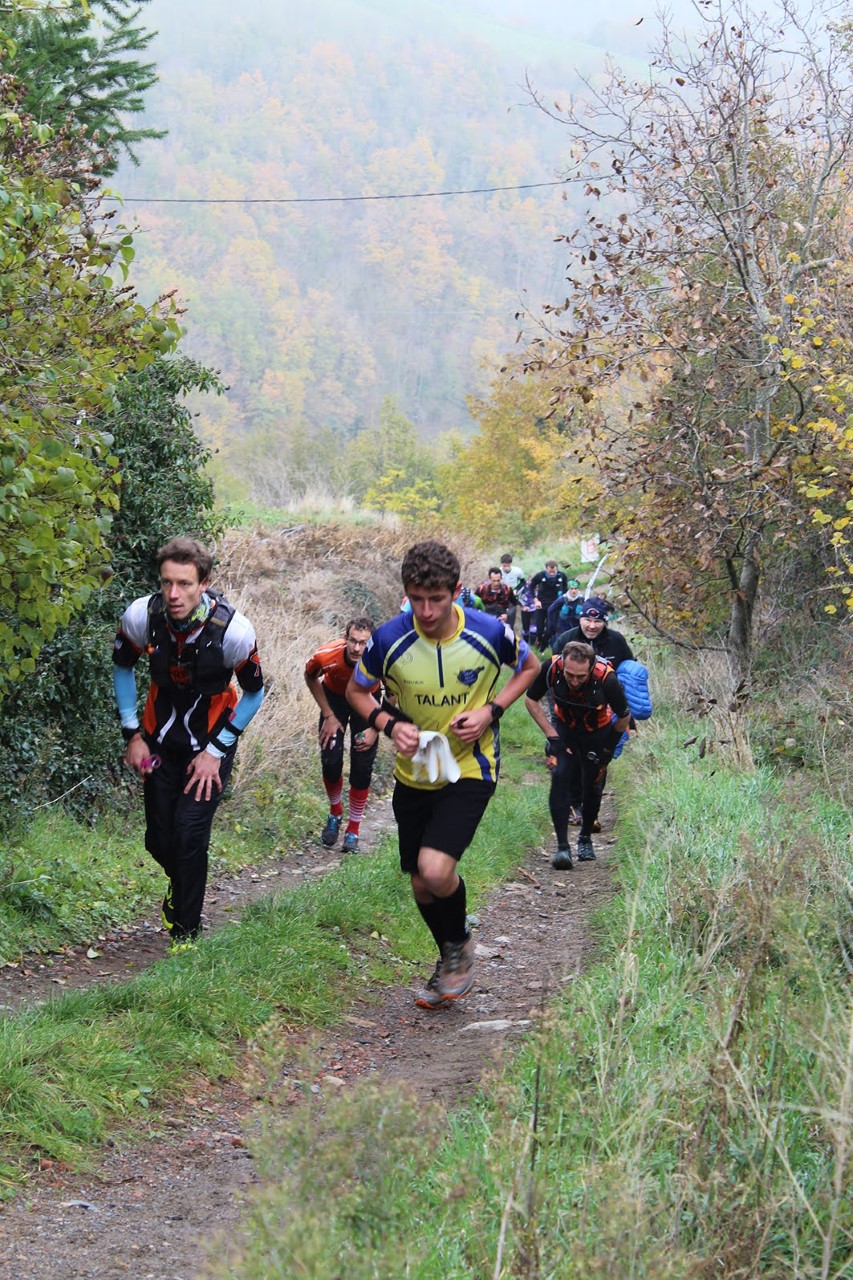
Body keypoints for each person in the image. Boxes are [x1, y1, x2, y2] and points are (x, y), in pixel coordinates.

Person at [346, 540, 539, 1010]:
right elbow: (357, 691)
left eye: (437, 599)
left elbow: (530, 667)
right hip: (414, 773)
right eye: (417, 599)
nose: (427, 611)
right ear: (406, 594)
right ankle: (453, 950)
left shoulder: (489, 631)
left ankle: (457, 950)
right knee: (420, 882)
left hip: (471, 766)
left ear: (457, 591)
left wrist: (491, 711)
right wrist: (388, 724)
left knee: (435, 869)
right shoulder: (388, 639)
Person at [112, 537, 265, 946]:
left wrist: (216, 752)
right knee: (158, 840)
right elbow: (122, 666)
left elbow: (254, 694)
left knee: (189, 834)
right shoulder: (142, 616)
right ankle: (180, 889)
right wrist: (132, 734)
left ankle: (186, 935)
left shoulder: (233, 632)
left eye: (184, 584)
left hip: (210, 745)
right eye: (166, 583)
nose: (173, 594)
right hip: (158, 743)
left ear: (205, 583)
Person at [525, 640, 630, 869]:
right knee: (560, 776)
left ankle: (585, 838)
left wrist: (609, 748)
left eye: (581, 677)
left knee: (592, 785)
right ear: (563, 664)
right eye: (570, 675)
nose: (574, 681)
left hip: (597, 733)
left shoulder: (607, 679)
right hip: (565, 729)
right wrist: (551, 735)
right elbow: (530, 699)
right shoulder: (552, 668)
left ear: (591, 668)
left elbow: (624, 716)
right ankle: (563, 848)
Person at [304, 618, 379, 853]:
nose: (357, 648)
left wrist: (375, 728)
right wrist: (328, 715)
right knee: (331, 760)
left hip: (366, 701)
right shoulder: (326, 655)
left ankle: (353, 830)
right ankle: (335, 811)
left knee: (362, 767)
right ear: (345, 639)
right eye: (353, 641)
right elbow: (310, 676)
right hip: (335, 700)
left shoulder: (382, 658)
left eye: (363, 643)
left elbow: (394, 694)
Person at [551, 595, 635, 668]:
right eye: (588, 620)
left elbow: (631, 668)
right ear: (580, 620)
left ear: (604, 623)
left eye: (597, 621)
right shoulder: (565, 640)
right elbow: (553, 670)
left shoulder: (617, 640)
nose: (592, 626)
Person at [528, 560, 568, 647]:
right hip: (541, 604)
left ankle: (546, 644)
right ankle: (538, 640)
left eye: (554, 571)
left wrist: (563, 600)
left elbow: (566, 589)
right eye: (550, 572)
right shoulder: (540, 576)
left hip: (554, 605)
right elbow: (531, 587)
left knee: (551, 627)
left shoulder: (562, 576)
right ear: (546, 569)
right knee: (539, 627)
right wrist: (535, 600)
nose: (552, 574)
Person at [545, 578, 584, 646]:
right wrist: (551, 623)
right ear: (568, 589)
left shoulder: (582, 599)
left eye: (575, 589)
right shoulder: (562, 599)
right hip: (563, 626)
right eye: (571, 589)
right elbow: (550, 610)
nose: (574, 591)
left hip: (576, 626)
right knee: (562, 644)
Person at [499, 553, 526, 629]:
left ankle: (510, 630)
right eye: (504, 566)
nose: (506, 568)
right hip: (502, 595)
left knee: (511, 615)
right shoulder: (499, 571)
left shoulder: (517, 571)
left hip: (512, 595)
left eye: (508, 566)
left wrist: (516, 590)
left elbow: (523, 582)